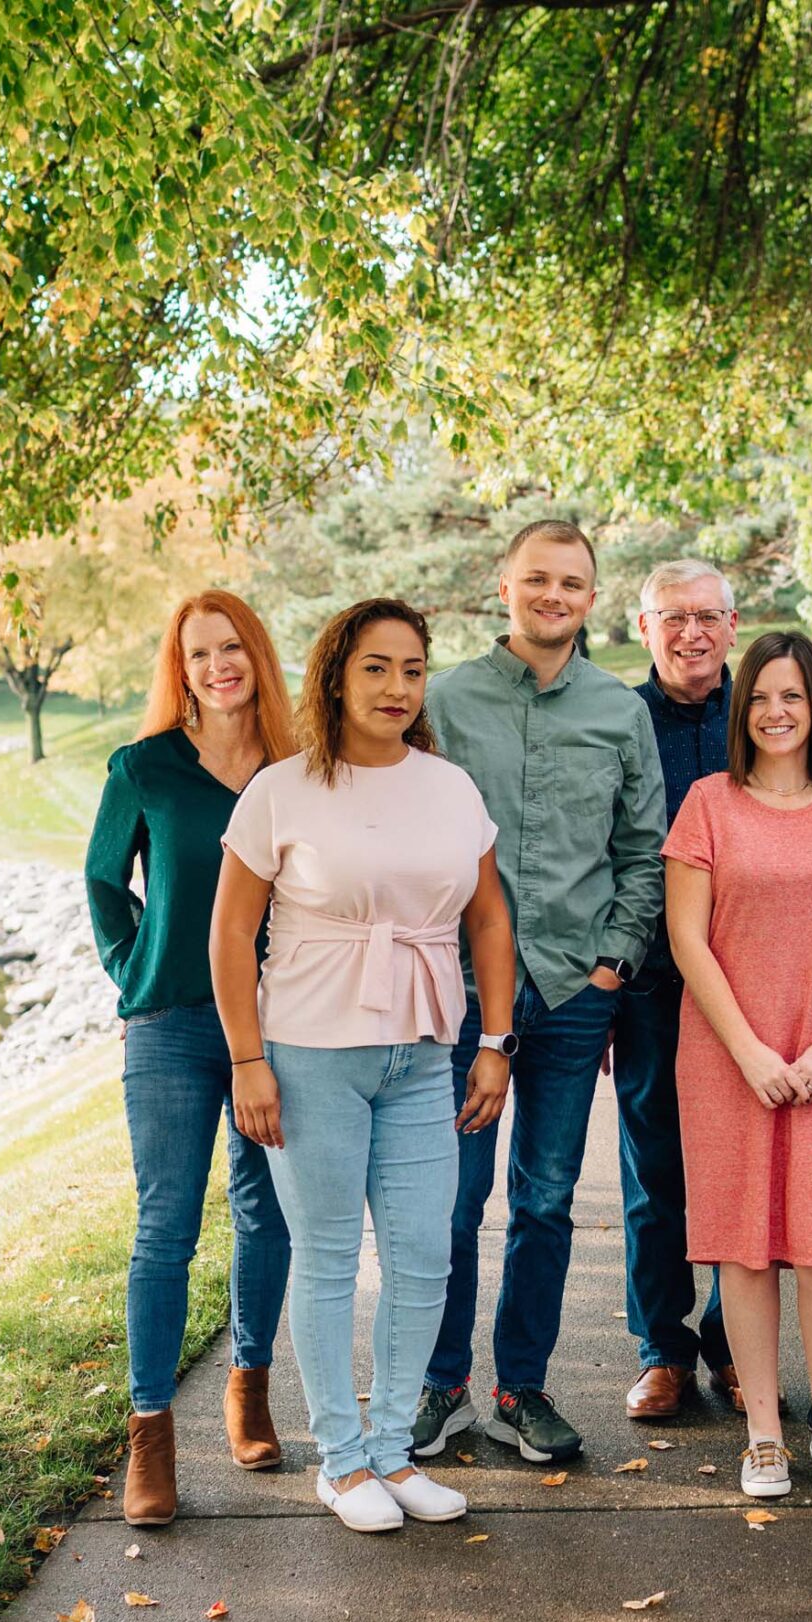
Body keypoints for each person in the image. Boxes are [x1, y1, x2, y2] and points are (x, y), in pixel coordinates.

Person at [207, 598, 516, 1533]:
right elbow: (230, 928)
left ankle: (392, 1451)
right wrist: (247, 1059)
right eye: (376, 666)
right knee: (331, 1255)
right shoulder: (282, 789)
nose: (395, 686)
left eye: (412, 669)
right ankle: (340, 1462)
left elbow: (490, 919)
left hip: (422, 1053)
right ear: (337, 674)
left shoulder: (451, 787)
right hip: (306, 1053)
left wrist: (495, 1042)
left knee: (426, 1252)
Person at [414, 520, 667, 1465]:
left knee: (547, 1198)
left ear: (591, 598)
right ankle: (440, 1386)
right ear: (504, 587)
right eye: (537, 580)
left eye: (571, 582)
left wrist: (614, 960)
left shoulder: (617, 710)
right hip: (461, 994)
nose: (553, 595)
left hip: (572, 994)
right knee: (451, 1196)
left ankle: (521, 1385)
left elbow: (644, 848)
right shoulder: (446, 702)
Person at [664, 631, 812, 1501]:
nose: (775, 711)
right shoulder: (707, 804)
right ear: (741, 708)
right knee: (747, 1250)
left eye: (793, 696)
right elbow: (687, 939)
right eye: (760, 696)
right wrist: (752, 1050)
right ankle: (765, 1431)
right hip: (730, 1056)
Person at [84, 590, 297, 1528]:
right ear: (181, 667)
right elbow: (103, 879)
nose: (219, 664)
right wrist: (135, 965)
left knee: (268, 1211)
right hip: (170, 1023)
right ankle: (151, 1434)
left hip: (281, 1021)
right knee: (165, 1225)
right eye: (200, 651)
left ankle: (248, 1389)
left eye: (233, 646)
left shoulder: (298, 770)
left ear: (257, 655)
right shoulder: (143, 767)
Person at [614, 559, 742, 1421]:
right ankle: (665, 1349)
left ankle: (738, 1345)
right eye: (672, 617)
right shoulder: (618, 719)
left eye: (707, 615)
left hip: (753, 980)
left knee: (740, 1167)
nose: (691, 632)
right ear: (642, 624)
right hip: (653, 981)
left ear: (733, 624)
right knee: (655, 1168)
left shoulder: (768, 710)